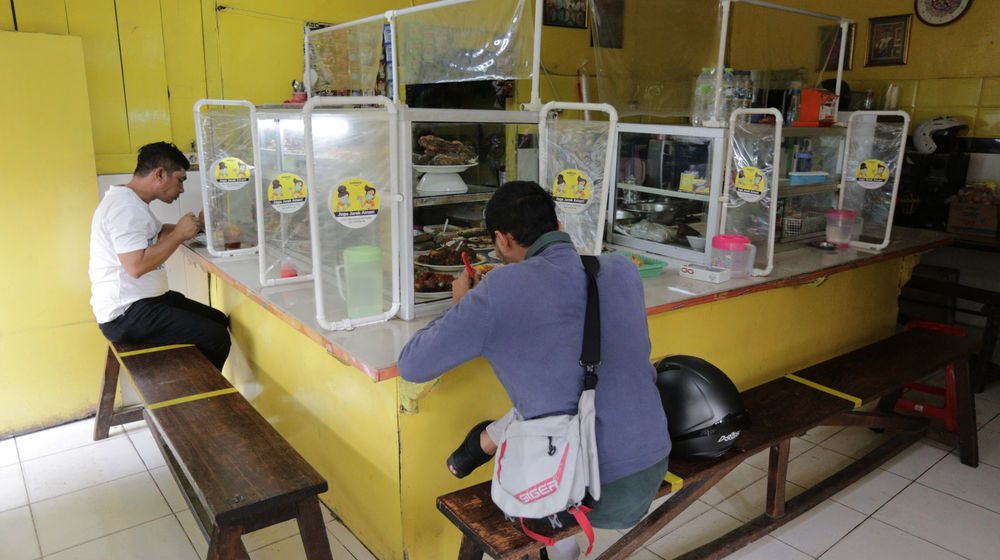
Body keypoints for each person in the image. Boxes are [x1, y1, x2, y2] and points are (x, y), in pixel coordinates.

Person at [398, 181, 669, 558]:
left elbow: (412, 364)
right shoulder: (622, 270)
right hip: (653, 457)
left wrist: (462, 307)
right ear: (556, 223)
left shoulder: (500, 287)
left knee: (541, 423)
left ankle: (554, 539)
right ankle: (484, 443)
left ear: (502, 240)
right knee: (558, 397)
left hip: (593, 484)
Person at [89, 141, 231, 371]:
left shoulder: (131, 201)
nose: (182, 189)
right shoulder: (125, 207)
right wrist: (178, 235)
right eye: (180, 180)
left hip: (145, 301)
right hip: (126, 314)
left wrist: (199, 226)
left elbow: (157, 232)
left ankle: (195, 384)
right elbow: (136, 266)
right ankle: (198, 398)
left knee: (219, 321)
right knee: (216, 338)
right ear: (160, 174)